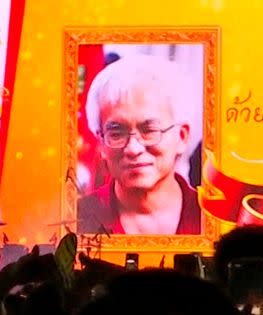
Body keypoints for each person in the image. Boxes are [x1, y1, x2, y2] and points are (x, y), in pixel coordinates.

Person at [78, 54, 201, 235]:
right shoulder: (76, 222)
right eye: (117, 133)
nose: (133, 148)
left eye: (149, 130)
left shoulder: (211, 221)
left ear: (182, 137)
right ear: (101, 143)